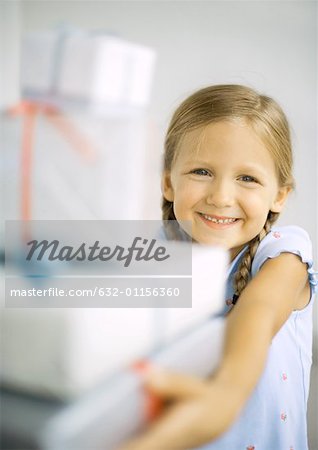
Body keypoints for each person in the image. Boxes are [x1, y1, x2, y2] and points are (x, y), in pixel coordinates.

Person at [119, 85, 317, 450]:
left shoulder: (284, 256)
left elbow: (259, 313)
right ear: (167, 183)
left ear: (279, 195)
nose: (221, 197)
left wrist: (225, 395)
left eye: (247, 178)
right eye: (201, 171)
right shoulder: (153, 249)